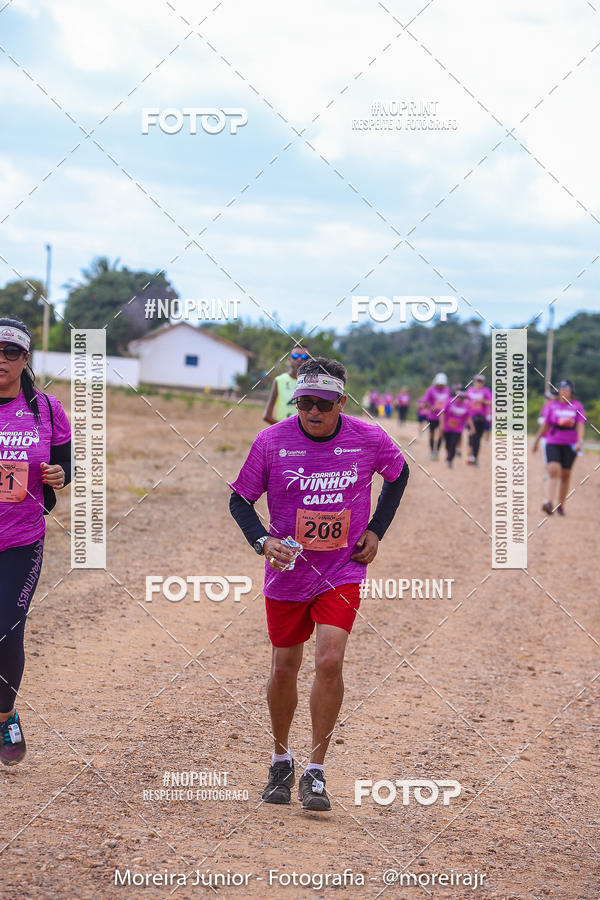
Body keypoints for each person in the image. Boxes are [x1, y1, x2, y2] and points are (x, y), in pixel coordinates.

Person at [229, 358, 409, 811]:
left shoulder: (367, 438)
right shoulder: (272, 441)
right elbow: (240, 500)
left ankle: (316, 771)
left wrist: (376, 529)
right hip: (288, 574)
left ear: (340, 402)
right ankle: (280, 759)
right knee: (284, 666)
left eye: (322, 404)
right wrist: (262, 541)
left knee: (329, 661)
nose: (312, 411)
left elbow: (399, 472)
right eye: (305, 402)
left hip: (341, 571)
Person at [0, 318, 71, 765]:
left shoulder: (46, 410)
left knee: (7, 631)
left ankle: (5, 715)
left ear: (26, 360)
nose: (1, 361)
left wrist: (60, 477)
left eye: (11, 353)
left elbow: (65, 469)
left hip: (22, 538)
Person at [532, 379, 586, 516]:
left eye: (566, 389)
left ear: (571, 392)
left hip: (570, 444)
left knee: (566, 475)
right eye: (561, 389)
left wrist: (580, 441)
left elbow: (580, 424)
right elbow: (546, 425)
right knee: (553, 469)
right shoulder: (552, 406)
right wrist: (536, 441)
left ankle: (561, 505)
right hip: (553, 441)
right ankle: (548, 502)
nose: (564, 392)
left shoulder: (577, 406)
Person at [263, 347, 310, 424]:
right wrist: (285, 429)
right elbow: (267, 416)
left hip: (306, 435)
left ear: (309, 361)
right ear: (289, 360)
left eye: (304, 357)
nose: (299, 359)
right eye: (295, 356)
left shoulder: (313, 382)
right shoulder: (279, 381)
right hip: (285, 434)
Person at [440, 387, 473, 468]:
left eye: (462, 398)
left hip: (458, 429)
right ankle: (448, 453)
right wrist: (441, 425)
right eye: (459, 397)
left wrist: (472, 427)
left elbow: (468, 417)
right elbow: (442, 413)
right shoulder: (449, 402)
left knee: (454, 444)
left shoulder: (466, 405)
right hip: (447, 428)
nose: (460, 399)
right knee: (448, 444)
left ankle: (450, 460)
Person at [423, 373, 450, 460]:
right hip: (432, 417)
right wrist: (431, 407)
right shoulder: (430, 390)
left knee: (441, 434)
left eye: (442, 384)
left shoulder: (447, 390)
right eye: (439, 384)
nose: (441, 386)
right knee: (432, 434)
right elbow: (425, 401)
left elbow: (448, 402)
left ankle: (436, 452)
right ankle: (432, 451)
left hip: (442, 417)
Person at [466, 374, 492, 465]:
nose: (479, 383)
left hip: (481, 418)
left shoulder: (486, 391)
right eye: (478, 381)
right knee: (472, 437)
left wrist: (483, 401)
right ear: (475, 381)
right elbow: (465, 402)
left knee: (477, 438)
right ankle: (470, 456)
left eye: (481, 381)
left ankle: (475, 457)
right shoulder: (470, 390)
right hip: (471, 418)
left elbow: (491, 403)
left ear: (483, 383)